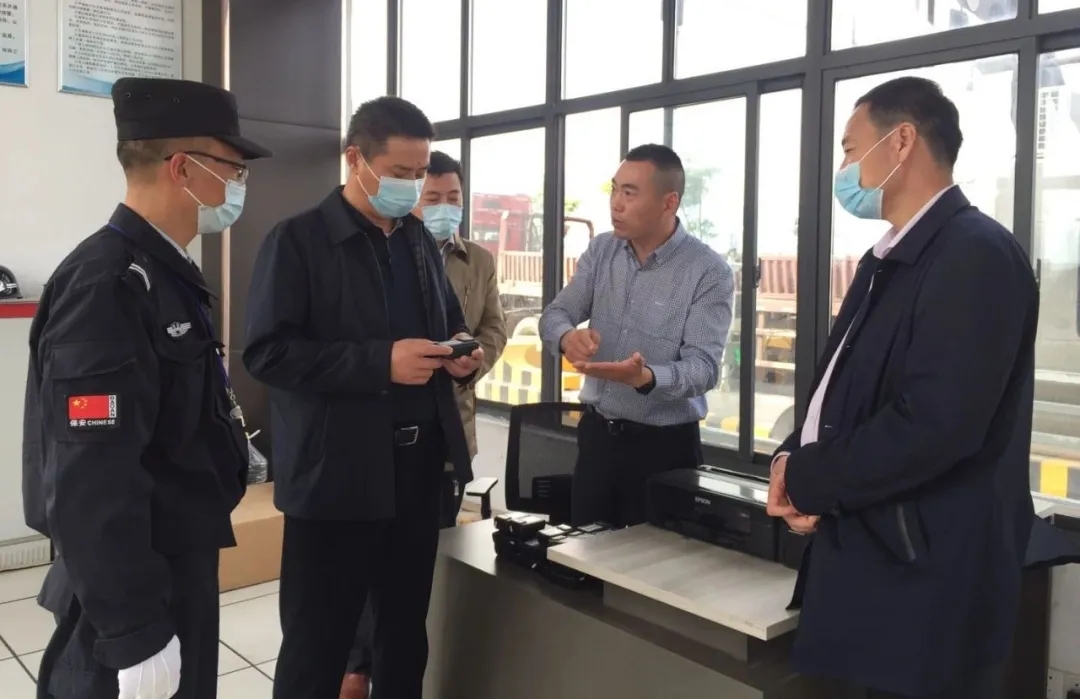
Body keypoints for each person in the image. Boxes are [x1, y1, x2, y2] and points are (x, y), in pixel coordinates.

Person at [765, 76, 1037, 699]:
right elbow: (853, 395)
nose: (844, 170)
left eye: (849, 149)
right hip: (877, 560)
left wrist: (809, 477)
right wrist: (795, 462)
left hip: (925, 580)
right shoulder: (894, 255)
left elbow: (936, 424)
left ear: (902, 141)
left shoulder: (973, 254)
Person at [22, 77, 271, 699]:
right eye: (233, 168)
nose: (237, 185)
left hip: (177, 559)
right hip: (137, 580)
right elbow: (90, 478)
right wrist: (134, 631)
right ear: (183, 168)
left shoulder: (165, 272)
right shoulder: (108, 284)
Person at [243, 96, 482, 699]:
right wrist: (380, 362)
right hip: (336, 476)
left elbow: (448, 322)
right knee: (318, 643)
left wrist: (460, 353)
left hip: (418, 471)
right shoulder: (298, 241)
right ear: (356, 159)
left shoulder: (417, 241)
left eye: (420, 172)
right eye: (400, 172)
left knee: (404, 632)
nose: (413, 186)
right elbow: (268, 354)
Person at [339, 150, 507, 699]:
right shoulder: (377, 253)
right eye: (430, 196)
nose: (442, 207)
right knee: (366, 563)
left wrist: (471, 357)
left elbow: (493, 327)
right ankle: (357, 665)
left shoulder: (477, 260)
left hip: (449, 429)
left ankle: (397, 663)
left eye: (452, 197)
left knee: (418, 564)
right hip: (380, 430)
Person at [538, 144, 735, 528]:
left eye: (630, 193)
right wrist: (566, 337)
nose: (616, 203)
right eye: (615, 190)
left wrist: (646, 378)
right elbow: (556, 314)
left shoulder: (708, 271)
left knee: (654, 561)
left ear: (668, 202)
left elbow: (704, 368)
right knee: (584, 555)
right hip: (598, 441)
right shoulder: (602, 250)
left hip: (664, 451)